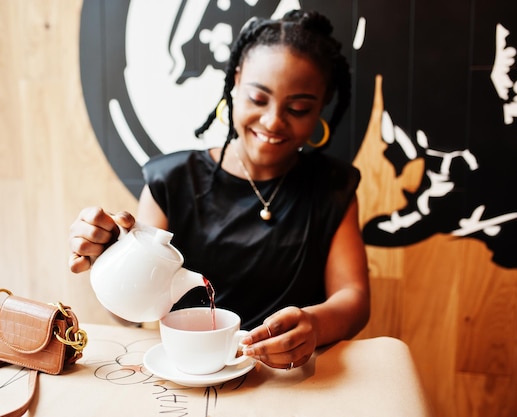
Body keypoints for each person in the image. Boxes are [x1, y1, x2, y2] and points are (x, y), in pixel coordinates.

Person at [69, 9, 370, 371]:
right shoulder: (172, 181)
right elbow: (131, 316)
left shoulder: (331, 187)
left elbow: (354, 300)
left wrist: (316, 325)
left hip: (290, 376)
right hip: (188, 378)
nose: (274, 120)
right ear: (236, 83)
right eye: (259, 99)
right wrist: (110, 259)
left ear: (321, 107)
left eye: (299, 108)